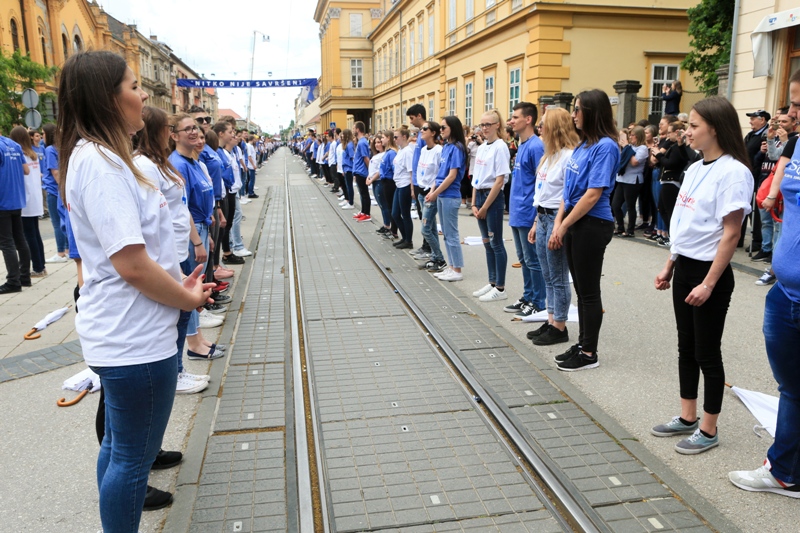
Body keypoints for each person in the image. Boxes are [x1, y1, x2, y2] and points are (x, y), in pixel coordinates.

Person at [59, 50, 213, 532]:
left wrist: (176, 282)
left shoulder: (102, 157)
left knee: (120, 450)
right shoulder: (103, 164)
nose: (143, 94)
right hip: (134, 337)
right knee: (131, 458)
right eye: (133, 86)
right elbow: (130, 263)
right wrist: (186, 299)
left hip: (130, 329)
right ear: (109, 99)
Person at [652, 96, 754, 455]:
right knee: (686, 346)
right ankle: (687, 415)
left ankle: (709, 430)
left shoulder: (734, 172)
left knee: (707, 351)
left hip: (710, 271)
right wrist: (670, 262)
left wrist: (709, 283)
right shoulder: (695, 167)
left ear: (716, 128)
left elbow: (731, 234)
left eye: (694, 126)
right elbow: (684, 222)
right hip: (685, 265)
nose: (688, 131)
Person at [729, 69, 800, 496]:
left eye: (799, 106)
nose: (791, 114)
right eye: (791, 103)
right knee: (791, 388)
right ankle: (785, 471)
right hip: (786, 292)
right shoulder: (797, 144)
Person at [548, 89, 619, 372]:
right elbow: (568, 190)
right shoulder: (583, 145)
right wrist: (559, 223)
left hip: (593, 223)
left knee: (589, 292)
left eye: (578, 109)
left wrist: (563, 225)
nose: (573, 114)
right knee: (580, 289)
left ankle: (589, 352)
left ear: (593, 112)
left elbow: (592, 194)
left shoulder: (606, 146)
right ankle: (583, 343)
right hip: (575, 221)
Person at [528, 107, 578, 346]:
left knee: (558, 276)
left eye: (543, 124)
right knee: (547, 274)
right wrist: (536, 222)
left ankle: (560, 325)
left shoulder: (569, 156)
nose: (540, 127)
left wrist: (558, 227)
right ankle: (550, 320)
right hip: (543, 216)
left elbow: (565, 196)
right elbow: (543, 192)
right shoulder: (549, 155)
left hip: (555, 219)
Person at [506, 102, 546, 318]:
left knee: (533, 260)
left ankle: (538, 301)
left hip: (528, 212)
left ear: (528, 119)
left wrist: (536, 218)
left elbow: (541, 182)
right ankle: (528, 296)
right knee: (524, 258)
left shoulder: (536, 146)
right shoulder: (522, 145)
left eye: (515, 117)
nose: (511, 121)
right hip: (517, 210)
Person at [470, 110, 511, 303]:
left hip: (492, 198)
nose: (484, 128)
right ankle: (492, 281)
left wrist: (485, 206)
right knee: (486, 242)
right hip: (480, 194)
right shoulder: (483, 146)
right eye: (482, 125)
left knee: (496, 243)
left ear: (497, 125)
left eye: (488, 124)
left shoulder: (500, 147)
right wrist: (473, 202)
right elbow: (476, 177)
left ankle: (500, 287)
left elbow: (500, 179)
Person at [427, 115, 468, 282]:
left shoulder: (457, 148)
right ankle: (451, 266)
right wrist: (433, 189)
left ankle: (457, 269)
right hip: (442, 194)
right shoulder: (446, 147)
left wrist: (435, 193)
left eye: (444, 128)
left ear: (453, 128)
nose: (441, 131)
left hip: (450, 195)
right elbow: (440, 173)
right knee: (445, 232)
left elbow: (452, 176)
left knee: (451, 233)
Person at [0, 128, 31, 294]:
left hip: (2, 200)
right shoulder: (13, 145)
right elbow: (26, 170)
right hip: (16, 198)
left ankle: (13, 281)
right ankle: (25, 276)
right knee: (19, 238)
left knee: (6, 242)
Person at [12, 126, 46, 278]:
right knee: (35, 234)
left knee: (29, 235)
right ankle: (41, 265)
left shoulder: (21, 155)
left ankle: (37, 268)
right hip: (35, 197)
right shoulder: (33, 154)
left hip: (26, 198)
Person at [654, 121, 692, 247]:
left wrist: (659, 155)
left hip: (672, 182)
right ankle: (672, 235)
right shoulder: (673, 146)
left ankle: (673, 237)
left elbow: (671, 163)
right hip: (667, 181)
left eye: (670, 132)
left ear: (677, 132)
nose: (668, 135)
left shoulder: (678, 147)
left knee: (669, 211)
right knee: (662, 208)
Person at [415, 122, 445, 271]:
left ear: (433, 133)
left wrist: (433, 191)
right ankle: (435, 258)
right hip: (421, 191)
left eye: (425, 129)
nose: (422, 131)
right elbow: (421, 169)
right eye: (422, 129)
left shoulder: (439, 150)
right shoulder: (422, 149)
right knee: (431, 228)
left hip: (430, 193)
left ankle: (440, 258)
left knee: (425, 229)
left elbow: (440, 173)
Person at [612, 126, 648, 237]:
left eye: (632, 135)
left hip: (633, 180)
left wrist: (627, 147)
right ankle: (620, 227)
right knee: (615, 205)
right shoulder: (629, 147)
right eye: (630, 135)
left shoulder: (642, 148)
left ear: (638, 137)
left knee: (630, 205)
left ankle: (630, 230)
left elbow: (634, 162)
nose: (630, 137)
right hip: (622, 178)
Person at [42, 123, 68, 264]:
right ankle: (68, 250)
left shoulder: (50, 150)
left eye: (43, 134)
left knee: (56, 223)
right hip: (61, 189)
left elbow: (55, 172)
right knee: (64, 220)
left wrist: (61, 189)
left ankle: (60, 252)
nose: (42, 136)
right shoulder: (61, 148)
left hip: (53, 189)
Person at [391, 126, 415, 248]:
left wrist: (412, 189)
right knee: (395, 213)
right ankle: (404, 237)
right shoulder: (400, 150)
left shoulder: (408, 152)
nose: (394, 139)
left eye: (396, 137)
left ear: (404, 137)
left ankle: (408, 240)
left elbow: (411, 172)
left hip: (405, 185)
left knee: (405, 214)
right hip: (398, 184)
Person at [353, 121, 371, 219]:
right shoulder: (360, 142)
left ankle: (367, 213)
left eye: (353, 128)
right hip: (358, 171)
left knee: (364, 193)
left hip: (362, 171)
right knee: (362, 193)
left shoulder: (363, 142)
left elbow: (366, 158)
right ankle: (363, 211)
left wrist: (370, 172)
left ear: (358, 129)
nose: (353, 130)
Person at [340, 129, 355, 210]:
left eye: (343, 134)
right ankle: (349, 201)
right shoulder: (347, 145)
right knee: (348, 185)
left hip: (349, 168)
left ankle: (351, 202)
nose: (342, 136)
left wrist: (353, 169)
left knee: (349, 186)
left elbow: (352, 157)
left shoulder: (349, 145)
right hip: (346, 168)